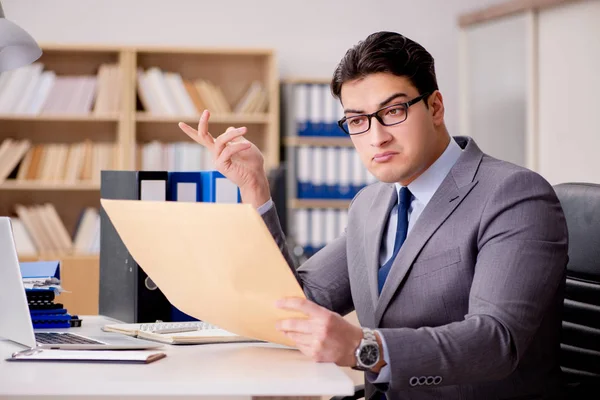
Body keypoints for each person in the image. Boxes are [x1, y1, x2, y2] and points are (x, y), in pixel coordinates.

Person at [178, 31, 568, 400]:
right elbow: (299, 301)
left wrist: (365, 347)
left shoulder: (513, 194)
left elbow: (495, 341)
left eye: (393, 111)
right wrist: (255, 190)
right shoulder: (371, 203)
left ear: (435, 107)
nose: (376, 137)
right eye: (358, 120)